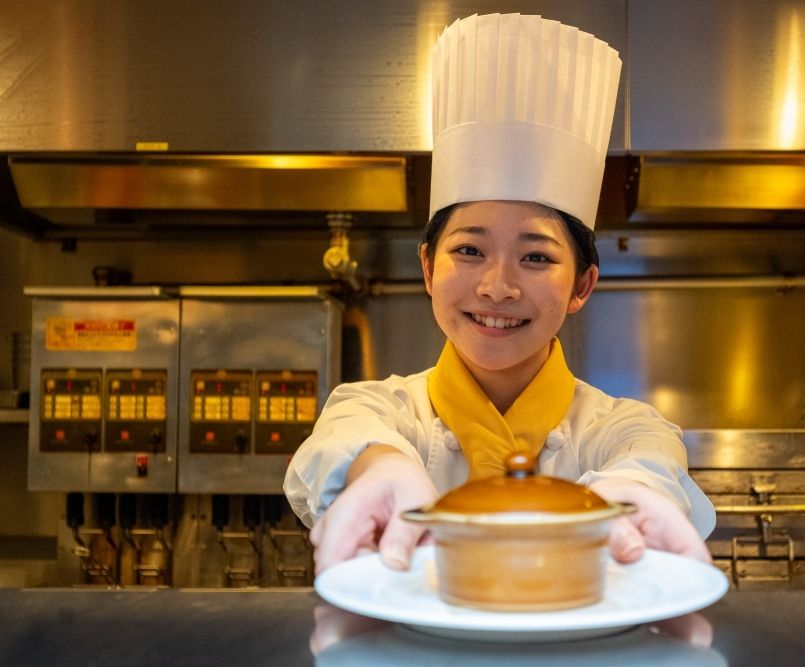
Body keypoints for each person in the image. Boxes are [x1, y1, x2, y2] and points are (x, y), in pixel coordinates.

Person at [284, 13, 715, 575]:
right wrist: (381, 468)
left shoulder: (620, 429)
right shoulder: (380, 411)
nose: (497, 287)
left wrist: (626, 498)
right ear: (428, 267)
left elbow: (649, 465)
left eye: (536, 256)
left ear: (582, 284)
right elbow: (348, 439)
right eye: (468, 250)